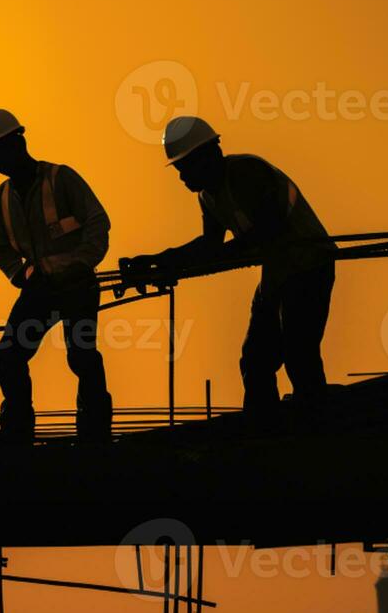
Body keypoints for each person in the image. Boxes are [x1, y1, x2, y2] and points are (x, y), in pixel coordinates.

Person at [124, 116, 336, 417]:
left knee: (298, 353)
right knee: (255, 360)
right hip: (277, 273)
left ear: (210, 155)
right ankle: (264, 428)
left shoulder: (247, 171)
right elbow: (211, 247)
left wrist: (175, 262)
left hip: (309, 265)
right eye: (179, 170)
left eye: (186, 167)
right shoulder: (208, 196)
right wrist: (160, 261)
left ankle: (314, 419)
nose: (182, 177)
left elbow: (267, 231)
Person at [0, 109, 114, 443]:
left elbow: (97, 222)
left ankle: (94, 433)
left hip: (77, 288)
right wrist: (21, 275)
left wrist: (81, 265)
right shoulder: (2, 199)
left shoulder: (60, 179)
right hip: (39, 291)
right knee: (9, 355)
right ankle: (16, 433)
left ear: (19, 143)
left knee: (81, 355)